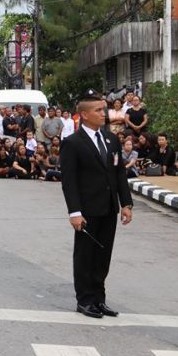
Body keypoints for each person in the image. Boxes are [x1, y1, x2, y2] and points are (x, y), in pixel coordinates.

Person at [60, 89, 133, 319]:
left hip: (109, 208)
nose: (104, 113)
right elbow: (69, 181)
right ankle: (85, 300)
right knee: (85, 256)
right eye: (99, 110)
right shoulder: (72, 143)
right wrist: (74, 212)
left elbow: (119, 172)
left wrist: (126, 204)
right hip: (87, 211)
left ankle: (99, 299)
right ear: (84, 114)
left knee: (103, 256)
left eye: (104, 109)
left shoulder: (110, 139)